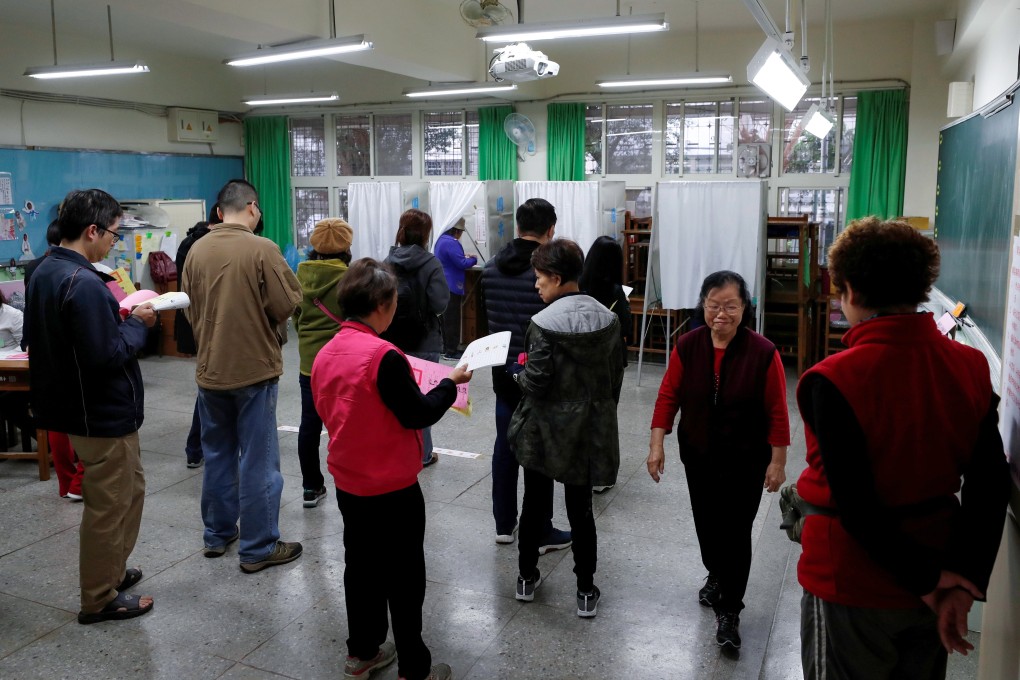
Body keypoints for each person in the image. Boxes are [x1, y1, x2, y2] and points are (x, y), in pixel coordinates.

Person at [795, 217, 1010, 679]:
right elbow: (990, 483)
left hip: (851, 582)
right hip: (938, 566)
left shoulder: (834, 378)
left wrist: (928, 582)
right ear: (921, 288)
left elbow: (857, 505)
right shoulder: (971, 366)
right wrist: (960, 580)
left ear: (849, 291)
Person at [311, 258, 471, 680]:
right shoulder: (384, 356)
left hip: (349, 481)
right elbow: (417, 414)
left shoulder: (326, 352)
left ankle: (362, 652)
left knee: (360, 568)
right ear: (381, 305)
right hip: (392, 487)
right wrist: (450, 384)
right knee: (404, 576)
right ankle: (414, 667)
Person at [24, 188, 157, 624]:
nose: (113, 244)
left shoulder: (45, 269)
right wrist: (137, 325)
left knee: (128, 491)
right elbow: (106, 356)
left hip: (74, 404)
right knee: (109, 504)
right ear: (92, 230)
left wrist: (114, 320)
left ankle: (112, 571)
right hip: (98, 412)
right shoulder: (81, 283)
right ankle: (98, 596)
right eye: (114, 236)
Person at [646, 270, 789, 649]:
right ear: (703, 304)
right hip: (699, 454)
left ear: (745, 308)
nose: (721, 314)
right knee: (707, 524)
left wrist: (778, 460)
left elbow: (777, 409)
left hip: (746, 458)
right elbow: (667, 397)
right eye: (713, 305)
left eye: (731, 306)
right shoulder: (688, 345)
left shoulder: (763, 352)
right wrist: (656, 444)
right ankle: (716, 573)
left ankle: (730, 610)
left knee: (737, 531)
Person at [182, 179, 303, 573]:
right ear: (253, 208)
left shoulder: (196, 250)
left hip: (210, 368)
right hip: (253, 370)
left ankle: (217, 535)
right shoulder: (262, 248)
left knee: (217, 454)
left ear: (219, 212)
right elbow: (287, 303)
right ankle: (259, 546)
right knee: (259, 459)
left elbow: (189, 307)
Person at [509, 239, 624, 618]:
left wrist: (518, 375)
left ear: (557, 278)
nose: (536, 286)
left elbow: (538, 382)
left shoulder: (542, 324)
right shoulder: (608, 318)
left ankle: (527, 578)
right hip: (586, 432)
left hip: (544, 431)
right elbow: (614, 378)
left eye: (540, 278)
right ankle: (585, 589)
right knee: (581, 511)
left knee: (535, 504)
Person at [481, 198, 572, 552]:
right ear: (550, 230)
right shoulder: (548, 275)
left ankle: (504, 524)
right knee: (539, 450)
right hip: (539, 372)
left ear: (517, 227)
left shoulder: (490, 268)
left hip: (503, 369)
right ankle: (542, 528)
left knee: (505, 445)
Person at [21, 219, 84, 498]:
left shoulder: (35, 267)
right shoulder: (79, 270)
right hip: (69, 349)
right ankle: (79, 482)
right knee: (79, 417)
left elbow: (30, 309)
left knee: (56, 418)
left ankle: (66, 482)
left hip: (41, 347)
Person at [293, 217, 353, 508]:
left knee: (309, 425)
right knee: (347, 424)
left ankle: (310, 486)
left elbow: (296, 316)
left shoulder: (298, 274)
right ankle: (351, 480)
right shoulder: (350, 278)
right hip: (343, 361)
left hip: (309, 362)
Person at [383, 208, 449, 466]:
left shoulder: (386, 261)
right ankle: (422, 454)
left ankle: (396, 450)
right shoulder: (430, 263)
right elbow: (440, 303)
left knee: (394, 398)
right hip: (425, 341)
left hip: (391, 341)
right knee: (423, 400)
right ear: (425, 235)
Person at [174, 207, 219, 469]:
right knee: (209, 389)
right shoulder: (205, 246)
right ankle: (196, 447)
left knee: (207, 386)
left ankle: (196, 448)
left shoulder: (188, 242)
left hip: (192, 318)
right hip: (209, 322)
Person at [433, 218, 477, 360]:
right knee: (452, 319)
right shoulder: (452, 242)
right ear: (457, 231)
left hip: (442, 284)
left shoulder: (440, 240)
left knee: (445, 319)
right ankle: (452, 351)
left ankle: (445, 348)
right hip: (452, 284)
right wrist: (473, 259)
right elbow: (462, 263)